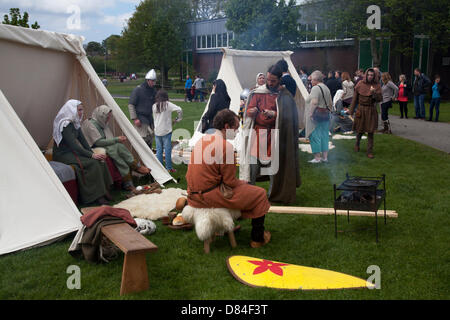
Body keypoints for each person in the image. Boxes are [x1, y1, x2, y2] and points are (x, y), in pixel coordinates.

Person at [186, 109, 271, 248]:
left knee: (247, 188)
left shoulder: (203, 140)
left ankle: (227, 226)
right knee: (260, 194)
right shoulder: (226, 147)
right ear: (226, 127)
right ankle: (258, 239)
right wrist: (243, 183)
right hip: (207, 196)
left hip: (193, 195)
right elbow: (229, 182)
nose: (237, 132)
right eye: (236, 128)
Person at [241, 64, 301, 205]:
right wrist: (252, 111)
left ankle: (272, 195)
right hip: (258, 134)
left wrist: (274, 113)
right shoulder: (258, 93)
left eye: (273, 80)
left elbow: (288, 116)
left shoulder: (284, 96)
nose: (269, 83)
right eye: (268, 79)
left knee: (274, 167)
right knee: (252, 166)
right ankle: (250, 195)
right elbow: (248, 111)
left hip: (275, 136)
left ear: (280, 80)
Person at [52, 100, 113, 205]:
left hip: (72, 152)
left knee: (99, 161)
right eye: (79, 110)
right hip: (63, 155)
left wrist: (93, 153)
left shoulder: (75, 122)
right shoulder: (65, 125)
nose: (81, 112)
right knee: (93, 163)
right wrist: (92, 155)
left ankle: (104, 190)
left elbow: (83, 141)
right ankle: (95, 196)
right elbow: (74, 145)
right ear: (71, 110)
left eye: (82, 109)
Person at [81, 105, 150, 191]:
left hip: (101, 145)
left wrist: (116, 140)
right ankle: (135, 169)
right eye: (107, 117)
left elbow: (106, 139)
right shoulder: (90, 124)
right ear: (102, 115)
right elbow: (97, 142)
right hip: (91, 148)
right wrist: (116, 139)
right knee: (115, 149)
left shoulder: (100, 121)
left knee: (119, 146)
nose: (108, 119)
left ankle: (133, 171)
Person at [348, 68, 382, 159]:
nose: (370, 76)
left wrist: (374, 93)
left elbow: (379, 99)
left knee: (370, 132)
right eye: (369, 75)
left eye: (372, 75)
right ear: (366, 75)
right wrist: (351, 111)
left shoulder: (377, 85)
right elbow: (354, 99)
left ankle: (369, 151)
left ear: (374, 76)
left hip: (371, 110)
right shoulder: (360, 84)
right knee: (360, 130)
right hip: (361, 109)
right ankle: (357, 144)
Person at [305, 70, 333, 163]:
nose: (311, 81)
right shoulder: (326, 88)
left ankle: (317, 158)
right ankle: (325, 157)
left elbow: (314, 102)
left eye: (312, 79)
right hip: (325, 115)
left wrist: (311, 113)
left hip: (317, 116)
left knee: (314, 135)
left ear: (316, 79)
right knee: (324, 135)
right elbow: (330, 104)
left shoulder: (316, 88)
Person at [152, 90, 183, 173]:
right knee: (167, 150)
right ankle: (169, 168)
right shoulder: (168, 104)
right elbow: (179, 109)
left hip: (157, 131)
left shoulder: (154, 106)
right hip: (166, 131)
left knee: (159, 150)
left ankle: (160, 169)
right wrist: (178, 119)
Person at [128, 69, 157, 149]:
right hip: (140, 119)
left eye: (154, 81)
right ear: (147, 80)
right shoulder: (138, 90)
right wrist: (135, 118)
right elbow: (131, 105)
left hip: (150, 118)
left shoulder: (153, 91)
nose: (154, 83)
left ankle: (148, 159)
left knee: (150, 139)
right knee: (142, 141)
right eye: (152, 81)